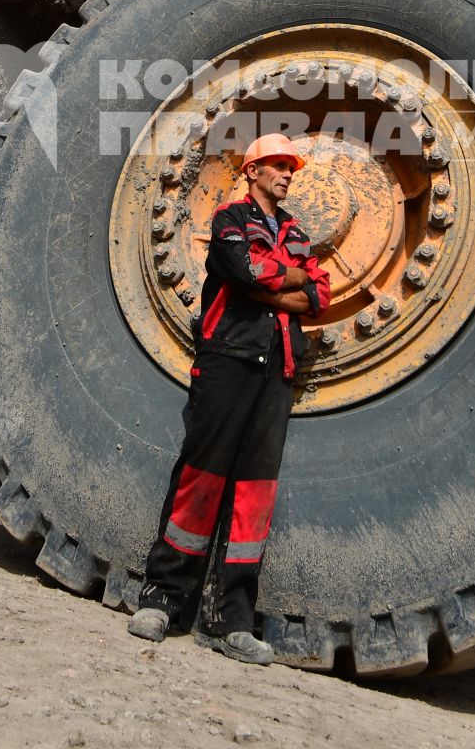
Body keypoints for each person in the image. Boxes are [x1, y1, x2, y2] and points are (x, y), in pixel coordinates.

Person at [126, 133, 330, 665]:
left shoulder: (299, 233)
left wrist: (283, 283)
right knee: (202, 474)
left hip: (276, 368)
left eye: (290, 167)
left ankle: (230, 620)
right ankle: (163, 599)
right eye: (277, 166)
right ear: (253, 170)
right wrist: (289, 281)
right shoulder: (229, 220)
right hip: (226, 361)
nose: (287, 174)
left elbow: (319, 293)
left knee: (253, 495)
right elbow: (245, 272)